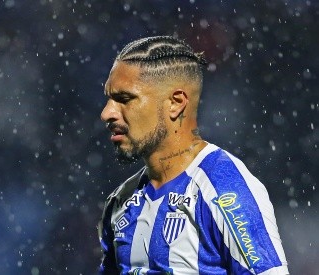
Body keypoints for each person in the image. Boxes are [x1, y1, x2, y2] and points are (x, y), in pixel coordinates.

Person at [98, 36, 289, 274]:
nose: (107, 113)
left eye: (124, 99)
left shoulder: (224, 190)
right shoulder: (121, 201)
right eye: (109, 98)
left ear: (175, 103)